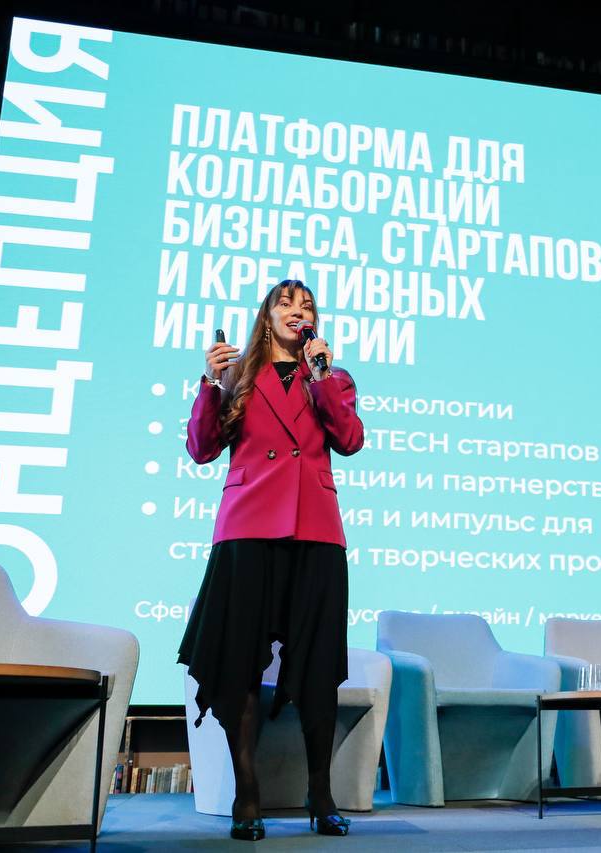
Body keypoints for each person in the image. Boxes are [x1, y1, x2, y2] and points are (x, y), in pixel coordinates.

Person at [178, 280, 364, 841]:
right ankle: (247, 795)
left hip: (315, 530)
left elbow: (350, 440)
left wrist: (321, 375)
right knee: (238, 663)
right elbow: (201, 449)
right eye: (286, 303)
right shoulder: (236, 376)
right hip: (247, 528)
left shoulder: (331, 377)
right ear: (267, 318)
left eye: (307, 306)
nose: (298, 311)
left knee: (318, 668)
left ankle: (321, 794)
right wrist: (211, 383)